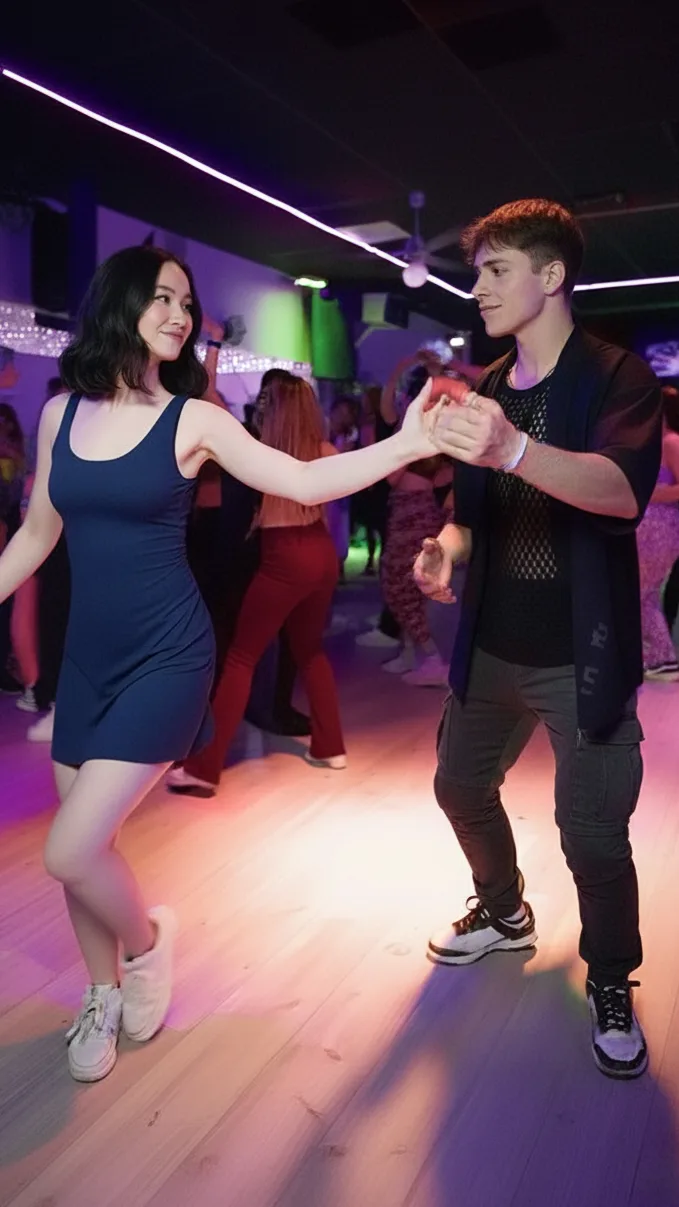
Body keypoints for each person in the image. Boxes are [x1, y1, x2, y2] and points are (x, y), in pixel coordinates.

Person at [0, 244, 441, 1084]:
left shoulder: (194, 419)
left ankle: (148, 944)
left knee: (68, 846)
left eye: (187, 302)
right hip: (87, 658)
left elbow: (301, 482)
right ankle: (100, 992)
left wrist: (400, 443)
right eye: (163, 298)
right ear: (119, 302)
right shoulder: (61, 416)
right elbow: (35, 534)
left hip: (168, 654)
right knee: (84, 853)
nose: (180, 315)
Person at [414, 199, 662, 1080]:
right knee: (457, 785)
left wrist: (514, 447)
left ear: (550, 276)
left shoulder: (613, 375)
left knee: (591, 833)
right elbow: (469, 513)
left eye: (494, 269)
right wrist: (445, 549)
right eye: (476, 270)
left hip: (577, 653)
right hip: (491, 645)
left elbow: (619, 490)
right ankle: (503, 910)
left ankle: (607, 976)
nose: (475, 286)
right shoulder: (483, 389)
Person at [167, 374, 347, 796]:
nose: (261, 404)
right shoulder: (324, 451)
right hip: (320, 553)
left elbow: (209, 396)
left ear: (273, 406)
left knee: (241, 657)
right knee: (310, 651)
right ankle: (331, 746)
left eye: (267, 399)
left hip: (283, 555)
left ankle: (203, 769)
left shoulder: (258, 451)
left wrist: (210, 348)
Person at [636, 386, 679, 679]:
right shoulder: (651, 442)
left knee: (639, 592)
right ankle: (657, 658)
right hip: (647, 528)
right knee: (642, 594)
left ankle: (661, 656)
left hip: (660, 529)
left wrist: (647, 494)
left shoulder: (671, 442)